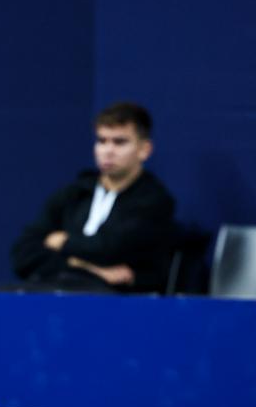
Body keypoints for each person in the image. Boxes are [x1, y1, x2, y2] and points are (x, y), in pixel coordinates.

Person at [11, 102, 176, 292]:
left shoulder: (154, 201)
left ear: (144, 149)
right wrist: (88, 268)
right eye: (102, 141)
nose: (108, 150)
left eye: (119, 142)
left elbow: (110, 248)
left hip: (113, 304)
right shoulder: (75, 193)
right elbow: (23, 253)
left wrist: (63, 241)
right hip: (54, 289)